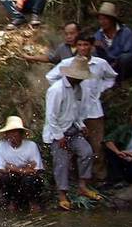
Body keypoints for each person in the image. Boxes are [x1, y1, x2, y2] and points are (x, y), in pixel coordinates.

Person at [42, 57, 103, 210]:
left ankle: (83, 186)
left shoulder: (79, 89)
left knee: (87, 152)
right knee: (61, 162)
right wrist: (59, 136)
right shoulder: (56, 90)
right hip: (58, 131)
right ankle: (62, 195)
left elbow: (76, 111)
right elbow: (51, 116)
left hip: (73, 129)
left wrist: (81, 124)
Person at [0, 115, 45, 207]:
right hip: (13, 181)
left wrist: (14, 168)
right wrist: (25, 169)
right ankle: (12, 204)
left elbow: (35, 170)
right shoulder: (2, 145)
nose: (12, 135)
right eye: (10, 132)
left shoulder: (31, 146)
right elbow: (1, 169)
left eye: (15, 132)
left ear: (21, 134)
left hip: (28, 180)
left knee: (31, 179)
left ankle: (33, 204)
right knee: (4, 178)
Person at [92, 1, 132, 78]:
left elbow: (129, 53)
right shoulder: (98, 35)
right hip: (108, 66)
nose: (102, 22)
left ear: (112, 20)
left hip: (124, 65)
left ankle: (122, 79)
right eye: (100, 19)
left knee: (125, 58)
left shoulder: (125, 32)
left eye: (105, 19)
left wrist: (106, 49)